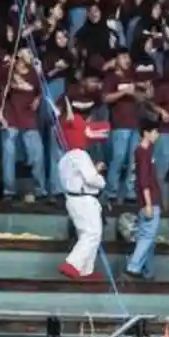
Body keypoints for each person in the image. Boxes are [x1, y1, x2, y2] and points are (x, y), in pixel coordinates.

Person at [58, 109, 109, 281]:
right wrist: (101, 179)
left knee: (86, 233)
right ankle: (72, 263)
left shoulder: (65, 158)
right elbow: (91, 178)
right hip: (84, 199)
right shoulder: (80, 155)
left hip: (72, 199)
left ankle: (86, 270)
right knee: (92, 234)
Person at [124, 117, 162, 280]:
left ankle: (147, 270)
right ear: (146, 133)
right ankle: (133, 267)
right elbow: (143, 180)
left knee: (149, 237)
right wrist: (148, 203)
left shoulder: (146, 150)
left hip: (149, 200)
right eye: (155, 132)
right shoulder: (143, 153)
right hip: (149, 201)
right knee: (147, 237)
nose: (158, 135)